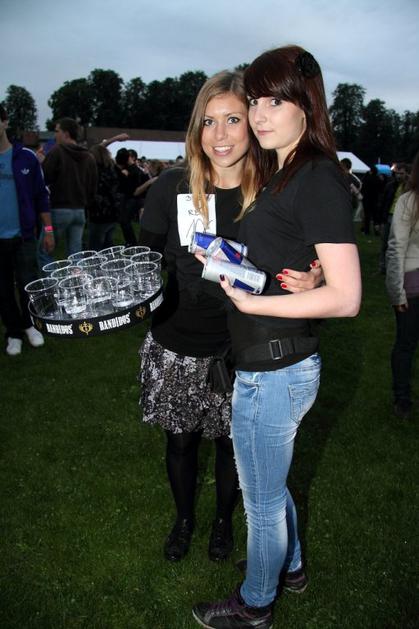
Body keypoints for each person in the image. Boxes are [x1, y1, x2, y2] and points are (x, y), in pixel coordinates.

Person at [192, 46, 361, 629]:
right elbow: (293, 255)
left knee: (260, 503)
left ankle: (255, 605)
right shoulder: (285, 171)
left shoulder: (314, 175)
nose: (259, 116)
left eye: (275, 102)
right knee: (270, 482)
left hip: (275, 369)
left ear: (305, 105)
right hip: (269, 359)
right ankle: (291, 567)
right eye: (256, 102)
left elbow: (347, 297)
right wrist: (230, 261)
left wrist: (254, 301)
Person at [137, 71, 322, 565]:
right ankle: (184, 519)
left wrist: (317, 275)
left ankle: (222, 521)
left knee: (230, 448)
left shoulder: (274, 195)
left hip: (242, 349)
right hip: (176, 341)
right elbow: (144, 260)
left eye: (233, 120)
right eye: (208, 121)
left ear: (253, 125)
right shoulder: (171, 188)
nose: (219, 135)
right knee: (180, 443)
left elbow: (308, 262)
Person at [0, 104, 54, 356]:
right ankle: (13, 332)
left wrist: (49, 229)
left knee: (27, 283)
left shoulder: (26, 157)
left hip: (23, 236)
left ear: (4, 122)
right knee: (3, 290)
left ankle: (30, 325)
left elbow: (41, 196)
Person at [385, 151, 419, 419]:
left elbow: (396, 247)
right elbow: (396, 247)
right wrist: (397, 292)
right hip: (413, 284)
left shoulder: (409, 200)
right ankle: (402, 398)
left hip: (411, 283)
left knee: (405, 344)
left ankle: (403, 398)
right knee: (406, 344)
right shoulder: (409, 201)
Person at [39, 117, 97, 266]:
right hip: (80, 211)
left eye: (57, 131)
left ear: (65, 133)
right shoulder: (89, 157)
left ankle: (50, 281)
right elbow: (92, 187)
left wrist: (41, 161)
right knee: (75, 255)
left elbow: (44, 178)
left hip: (59, 209)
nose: (55, 135)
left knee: (45, 251)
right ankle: (77, 280)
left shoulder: (57, 152)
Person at [87, 144, 120, 250]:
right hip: (113, 210)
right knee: (107, 244)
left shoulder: (95, 171)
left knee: (95, 246)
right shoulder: (113, 170)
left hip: (99, 213)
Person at [379, 163, 409, 273]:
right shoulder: (391, 185)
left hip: (402, 217)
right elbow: (383, 202)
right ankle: (383, 267)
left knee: (398, 244)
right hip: (390, 215)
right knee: (385, 242)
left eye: (401, 173)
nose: (399, 176)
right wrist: (381, 219)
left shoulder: (409, 187)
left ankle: (395, 267)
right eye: (397, 173)